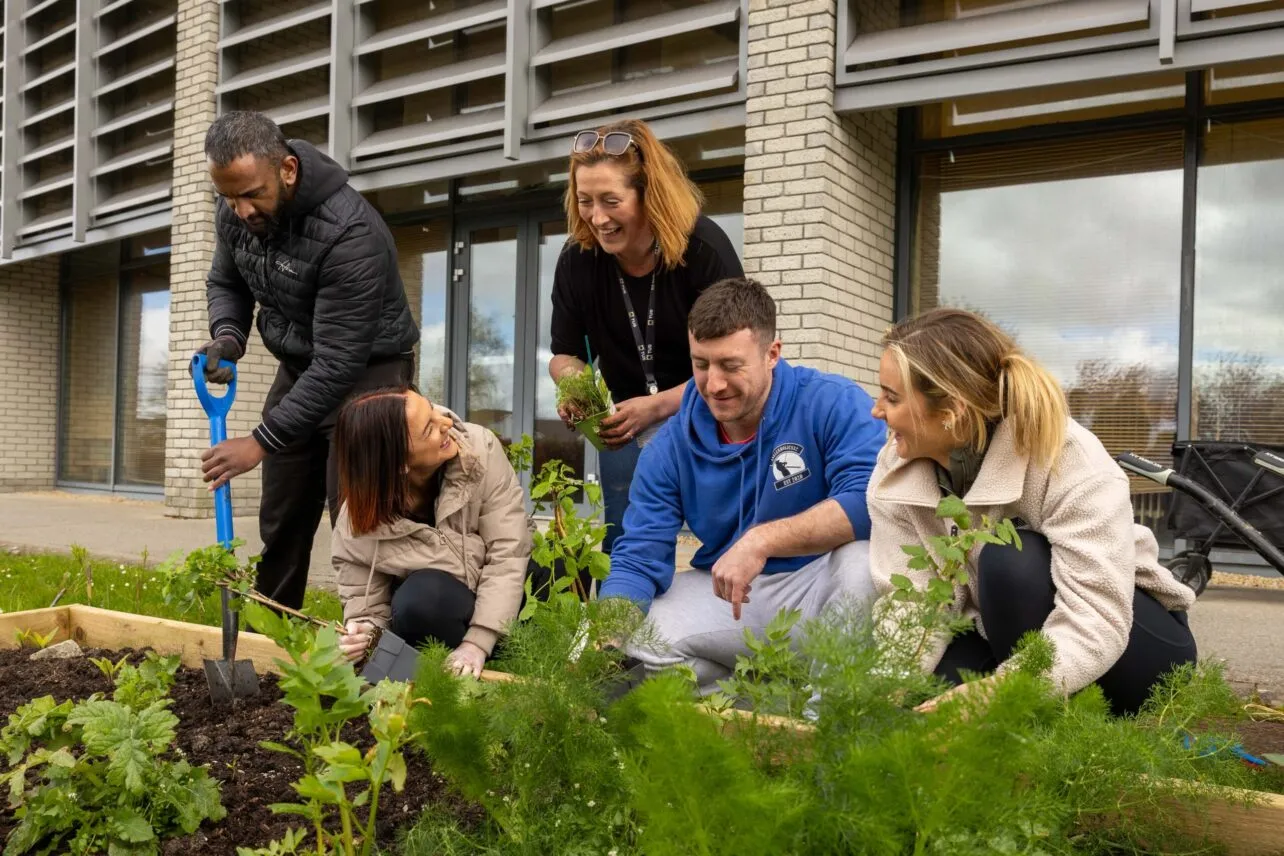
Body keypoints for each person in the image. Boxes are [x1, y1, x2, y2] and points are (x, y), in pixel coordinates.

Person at [867, 307, 1198, 716]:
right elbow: (913, 602)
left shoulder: (1067, 458)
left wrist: (996, 698)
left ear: (951, 411)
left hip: (1132, 642)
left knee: (1010, 559)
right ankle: (1029, 700)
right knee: (923, 707)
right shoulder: (893, 472)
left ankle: (1043, 710)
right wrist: (882, 697)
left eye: (892, 397)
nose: (876, 410)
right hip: (1002, 636)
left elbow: (1097, 618)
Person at [598, 278, 888, 694]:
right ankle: (753, 701)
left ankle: (825, 720)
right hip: (730, 598)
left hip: (819, 586)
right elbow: (639, 557)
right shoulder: (670, 447)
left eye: (731, 365)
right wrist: (601, 638)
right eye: (701, 364)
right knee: (638, 644)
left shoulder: (831, 402)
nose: (713, 384)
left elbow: (868, 501)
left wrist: (761, 541)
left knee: (864, 566)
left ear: (772, 354)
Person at [194, 111, 419, 610]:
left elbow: (340, 361)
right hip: (301, 365)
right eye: (229, 196)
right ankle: (273, 637)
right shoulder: (234, 211)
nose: (242, 209)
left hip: (371, 375)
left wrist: (258, 442)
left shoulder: (350, 230)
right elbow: (226, 282)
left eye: (252, 193)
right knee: (282, 515)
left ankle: (374, 646)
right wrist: (228, 337)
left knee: (361, 520)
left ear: (288, 170)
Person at [549, 118, 744, 556]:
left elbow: (736, 365)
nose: (597, 218)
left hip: (711, 417)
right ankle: (629, 628)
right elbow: (564, 353)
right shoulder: (576, 262)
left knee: (727, 546)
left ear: (648, 194)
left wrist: (656, 407)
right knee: (629, 550)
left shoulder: (703, 250)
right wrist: (577, 388)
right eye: (585, 201)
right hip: (624, 428)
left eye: (611, 201)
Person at [330, 387, 531, 678]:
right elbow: (366, 602)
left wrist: (477, 642)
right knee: (422, 600)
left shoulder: (480, 450)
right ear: (399, 464)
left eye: (433, 410)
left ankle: (505, 655)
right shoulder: (359, 519)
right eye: (429, 429)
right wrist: (365, 633)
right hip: (441, 606)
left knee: (553, 568)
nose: (446, 423)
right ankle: (441, 671)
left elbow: (508, 552)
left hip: (505, 592)